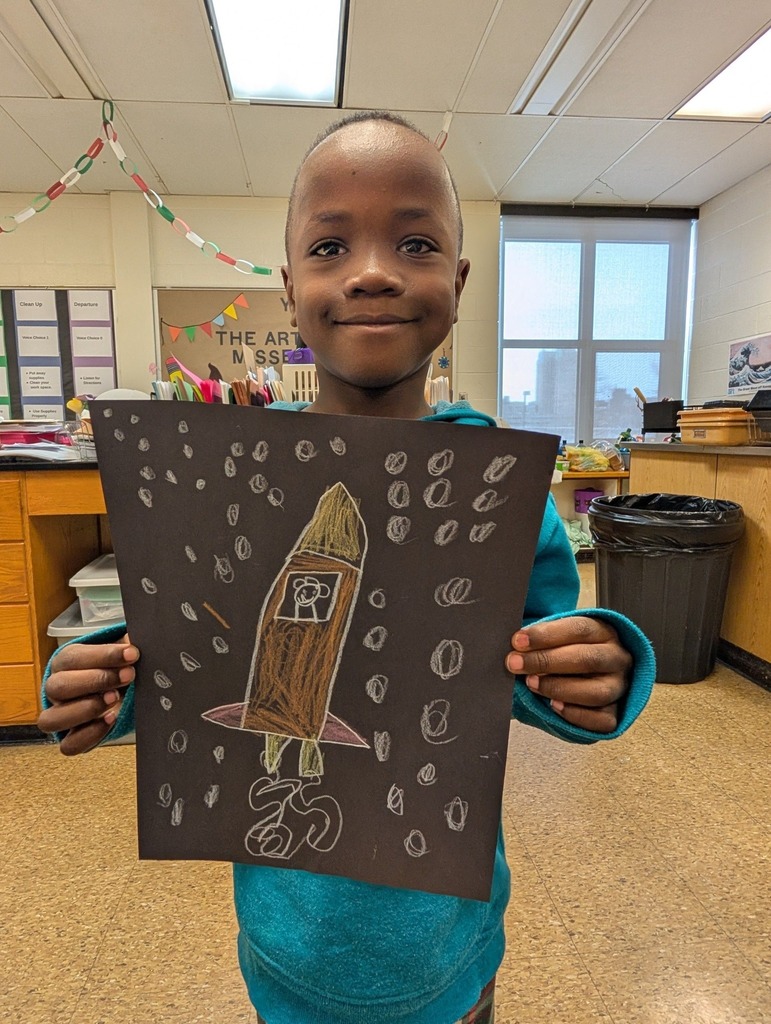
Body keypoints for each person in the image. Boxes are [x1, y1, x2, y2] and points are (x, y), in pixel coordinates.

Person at [38, 111, 655, 1024]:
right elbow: (186, 648)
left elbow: (534, 670)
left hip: (449, 945)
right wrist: (108, 675)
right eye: (331, 245)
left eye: (414, 241)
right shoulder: (229, 478)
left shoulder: (501, 491)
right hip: (285, 946)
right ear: (290, 290)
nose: (372, 270)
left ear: (457, 277)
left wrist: (602, 661)